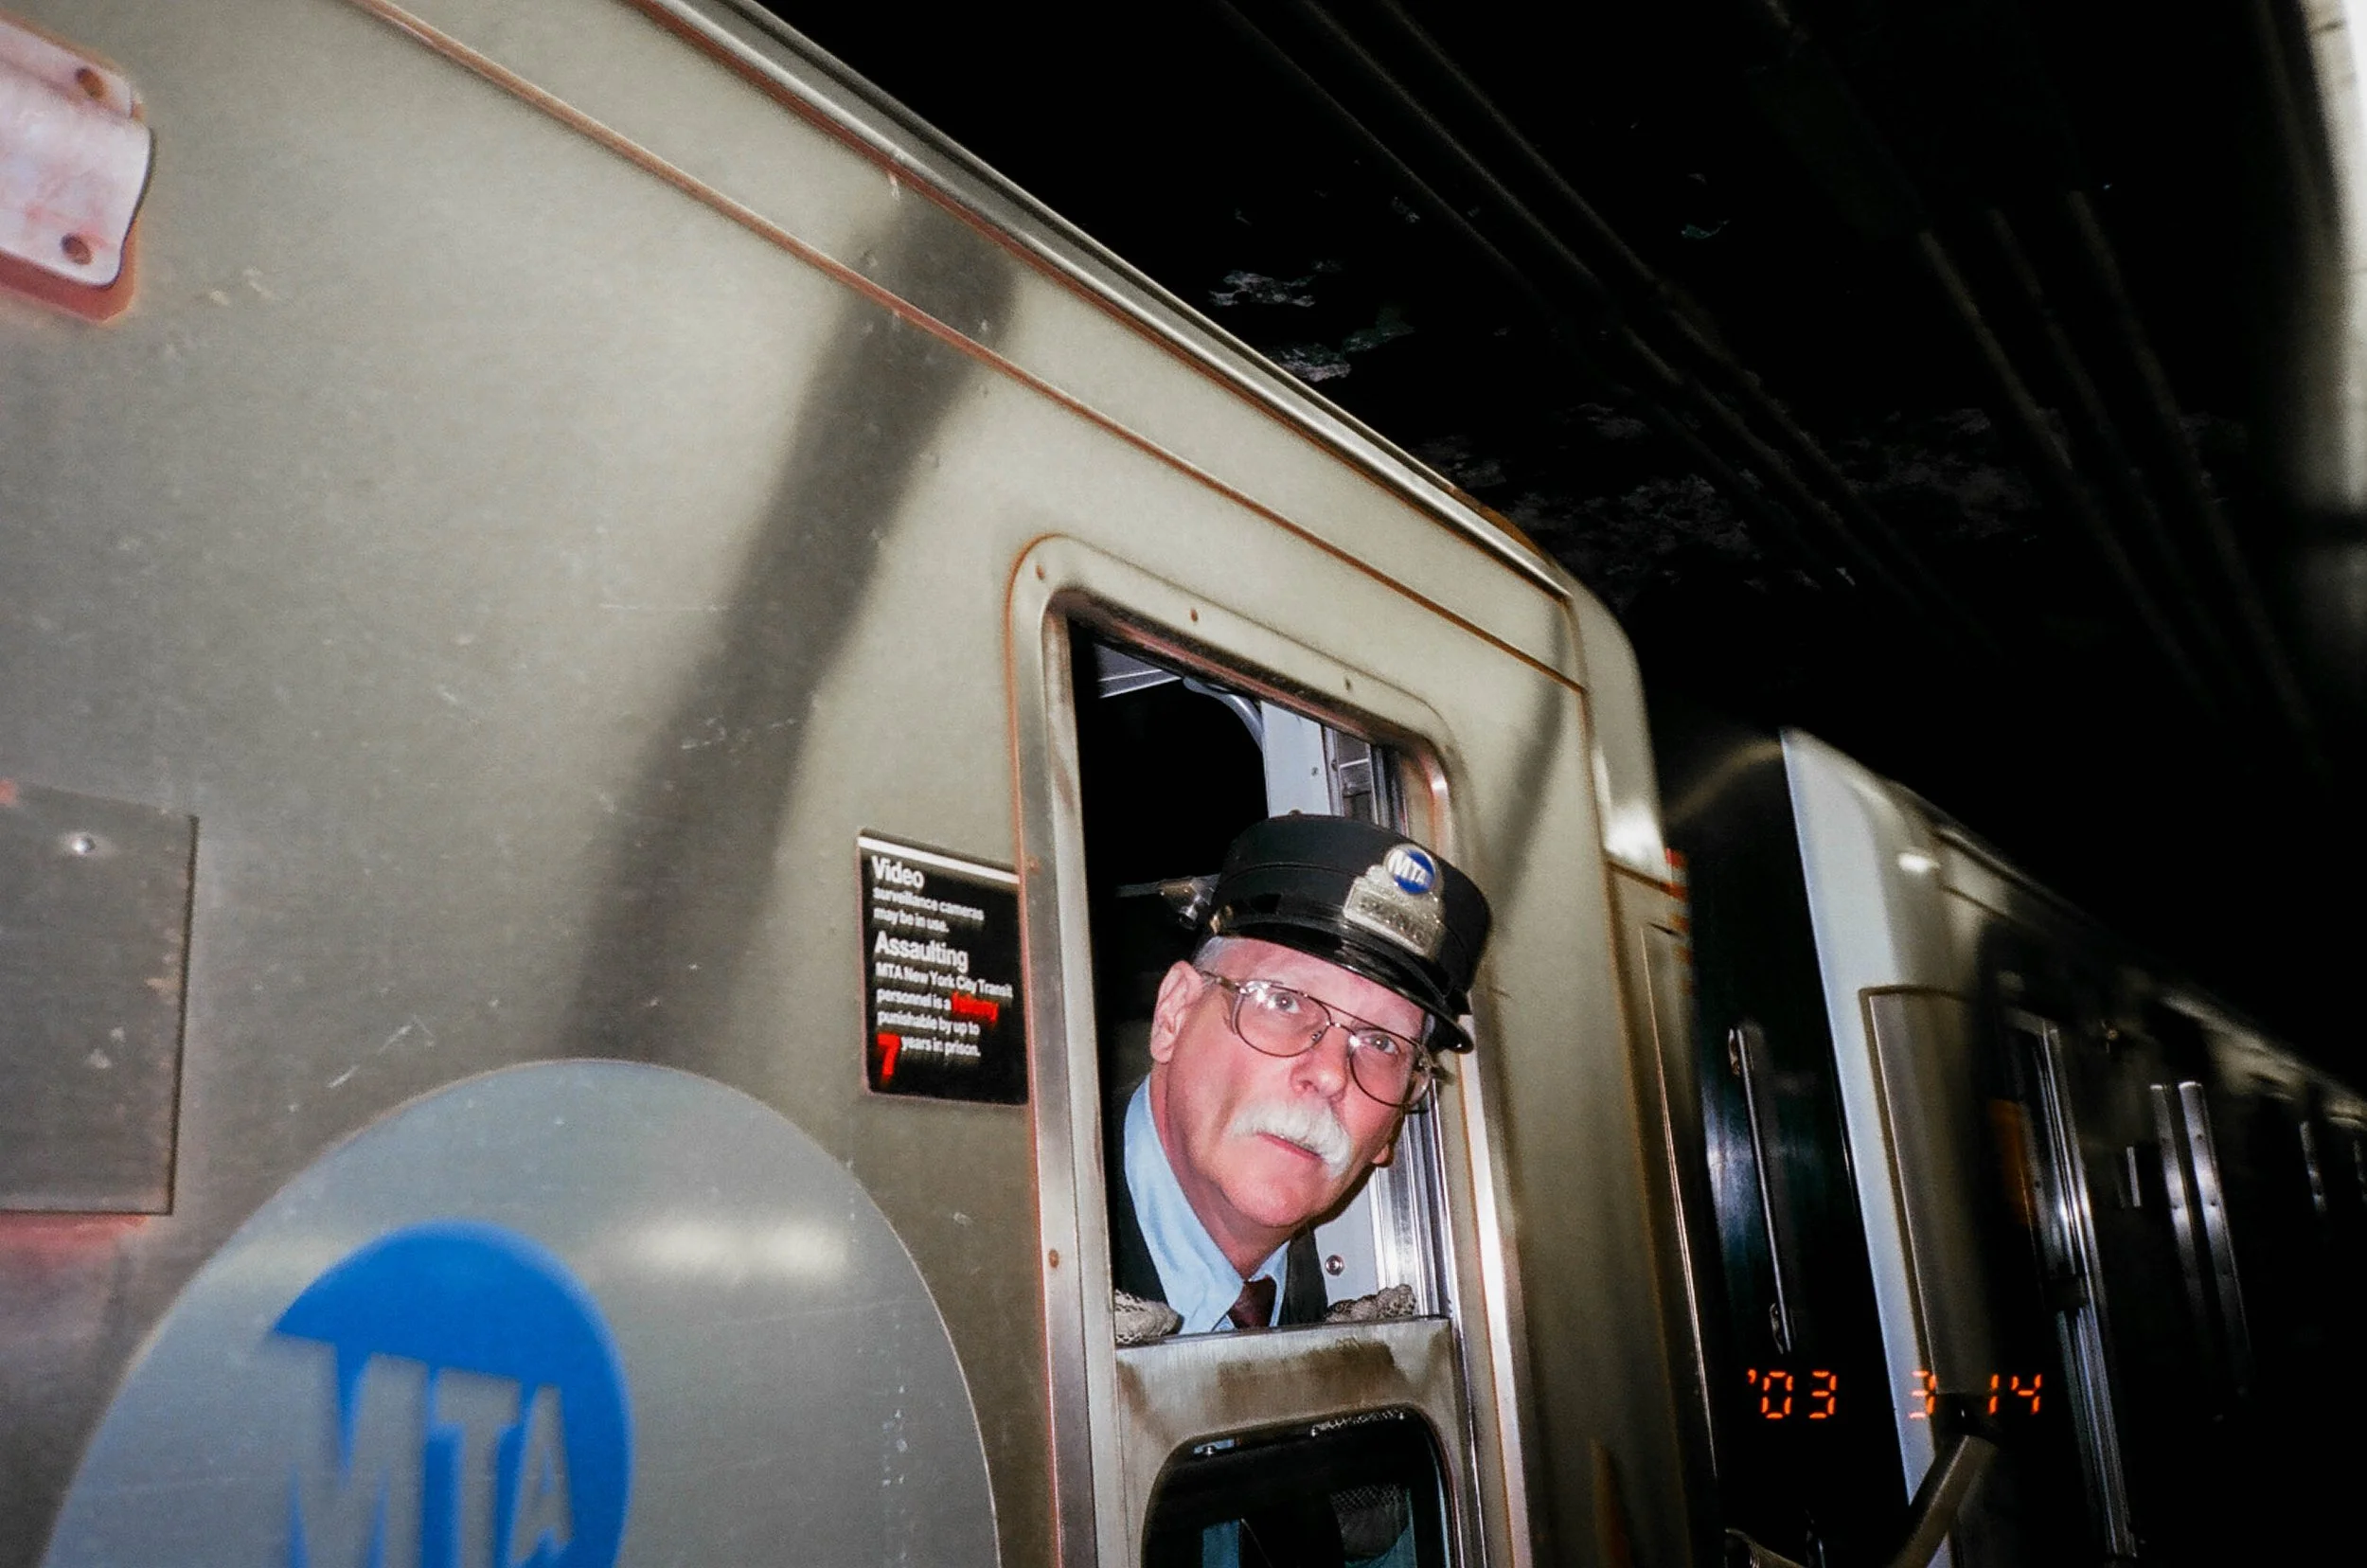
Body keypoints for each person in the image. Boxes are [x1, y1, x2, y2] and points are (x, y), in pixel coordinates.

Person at [1111, 814, 1492, 1334]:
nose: (1332, 1075)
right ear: (1174, 1014)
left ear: (1389, 1131)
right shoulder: (1020, 1245)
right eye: (1284, 1002)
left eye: (1382, 1043)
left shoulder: (1347, 1325)